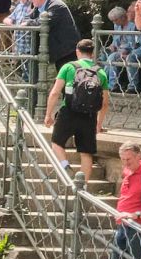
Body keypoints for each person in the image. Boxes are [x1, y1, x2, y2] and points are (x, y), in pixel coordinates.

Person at [44, 39, 108, 181]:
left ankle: (65, 167)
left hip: (68, 111)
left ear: (77, 52)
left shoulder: (68, 67)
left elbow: (55, 92)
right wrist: (99, 123)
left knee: (56, 143)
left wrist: (48, 115)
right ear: (92, 54)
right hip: (89, 116)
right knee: (86, 153)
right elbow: (104, 103)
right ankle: (82, 188)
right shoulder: (101, 72)